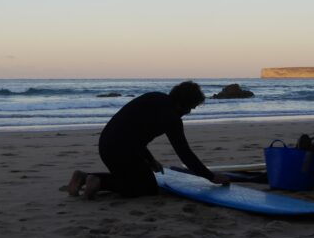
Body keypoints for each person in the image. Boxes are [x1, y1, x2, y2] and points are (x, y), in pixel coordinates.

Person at [67, 81, 230, 199]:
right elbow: (184, 153)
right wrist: (210, 176)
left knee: (132, 178)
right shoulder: (172, 118)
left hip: (106, 144)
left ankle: (84, 177)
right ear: (184, 104)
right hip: (122, 151)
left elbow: (133, 134)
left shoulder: (154, 98)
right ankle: (98, 181)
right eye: (191, 108)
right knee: (147, 187)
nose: (189, 112)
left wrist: (150, 160)